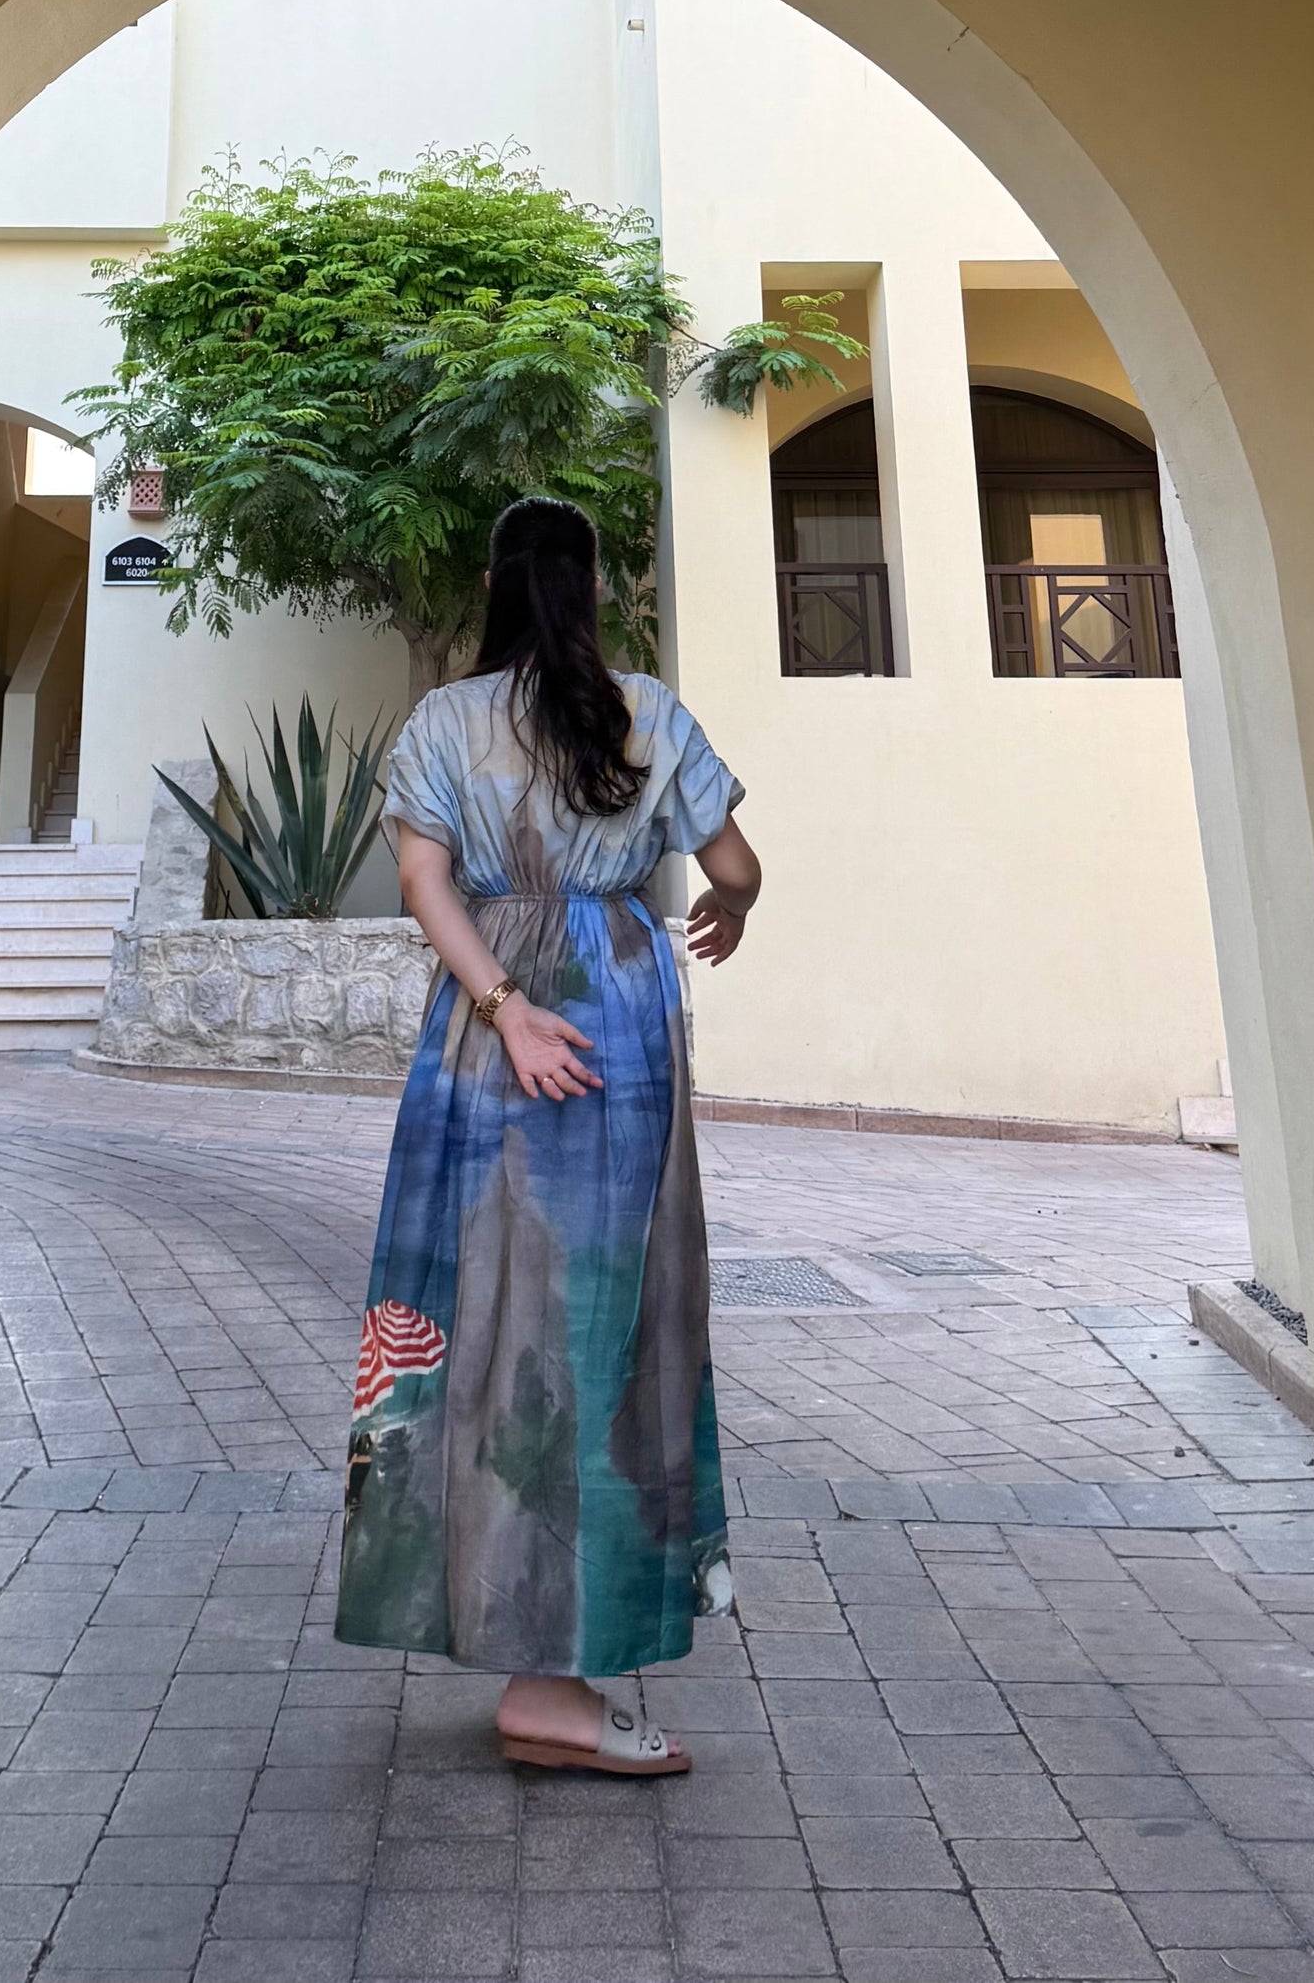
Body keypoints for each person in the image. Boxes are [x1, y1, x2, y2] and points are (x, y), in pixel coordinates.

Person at [333, 496, 761, 1776]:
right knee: (604, 1320)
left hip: (486, 1030)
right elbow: (733, 867)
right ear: (591, 590)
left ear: (493, 588)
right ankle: (553, 1682)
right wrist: (731, 911)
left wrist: (503, 1007)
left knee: (478, 1309)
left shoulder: (440, 721)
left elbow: (421, 882)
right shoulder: (645, 712)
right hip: (615, 1023)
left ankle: (503, 1628)